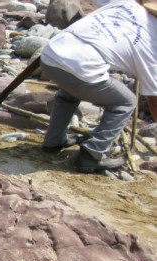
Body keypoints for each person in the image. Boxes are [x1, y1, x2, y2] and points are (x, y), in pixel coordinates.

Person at [39, 0, 157, 173]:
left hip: (50, 55)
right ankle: (92, 154)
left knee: (71, 89)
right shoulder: (151, 45)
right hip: (78, 67)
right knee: (126, 102)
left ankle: (54, 141)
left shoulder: (126, 4)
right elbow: (154, 101)